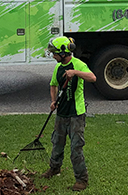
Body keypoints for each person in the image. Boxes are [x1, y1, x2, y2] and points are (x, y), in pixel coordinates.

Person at [42, 36, 97, 191]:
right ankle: (54, 168)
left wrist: (75, 72)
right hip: (62, 113)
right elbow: (53, 85)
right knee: (57, 143)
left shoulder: (78, 64)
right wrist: (53, 101)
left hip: (76, 114)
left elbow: (93, 77)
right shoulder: (58, 67)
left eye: (54, 53)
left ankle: (81, 180)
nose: (53, 56)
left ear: (64, 53)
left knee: (76, 148)